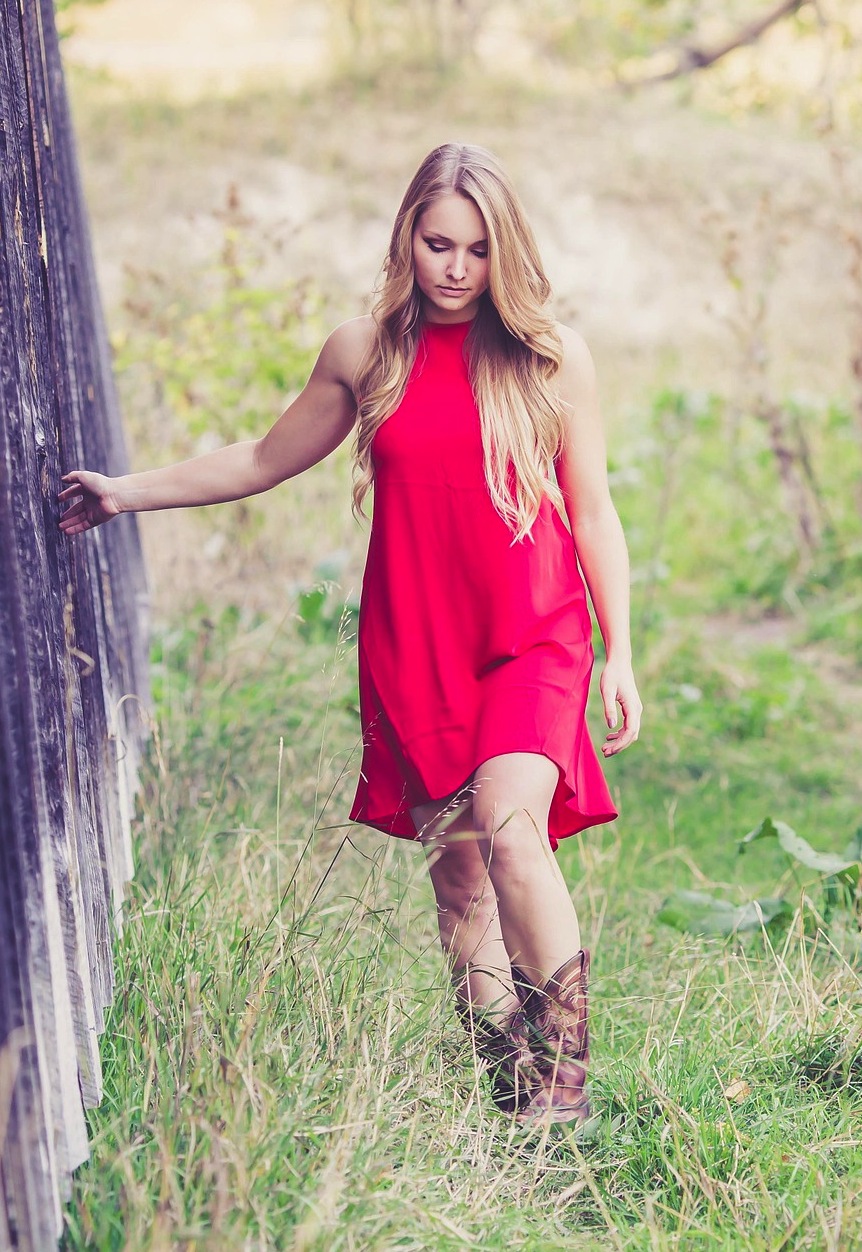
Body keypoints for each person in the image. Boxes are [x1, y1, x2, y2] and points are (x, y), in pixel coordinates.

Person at [60, 142, 642, 1130]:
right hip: (414, 642)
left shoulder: (550, 355)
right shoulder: (365, 352)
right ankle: (507, 1086)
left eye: (475, 250)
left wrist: (619, 649)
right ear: (406, 238)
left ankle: (567, 1080)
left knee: (508, 828)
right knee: (458, 874)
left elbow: (590, 507)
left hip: (531, 633)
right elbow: (261, 456)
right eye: (437, 244)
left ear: (505, 252)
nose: (455, 269)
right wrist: (126, 493)